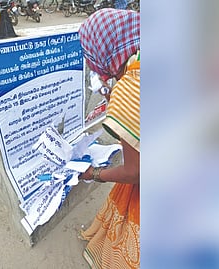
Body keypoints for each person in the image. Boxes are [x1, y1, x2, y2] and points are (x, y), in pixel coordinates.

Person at [77, 8, 140, 269]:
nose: (93, 65)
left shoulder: (129, 88)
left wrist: (94, 174)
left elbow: (135, 172)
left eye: (91, 56)